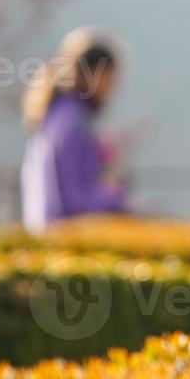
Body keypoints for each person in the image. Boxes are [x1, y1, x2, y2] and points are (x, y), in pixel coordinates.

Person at [20, 27, 130, 232]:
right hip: (63, 240)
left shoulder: (58, 116)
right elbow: (75, 202)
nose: (112, 88)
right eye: (110, 79)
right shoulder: (71, 123)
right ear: (93, 76)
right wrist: (114, 193)